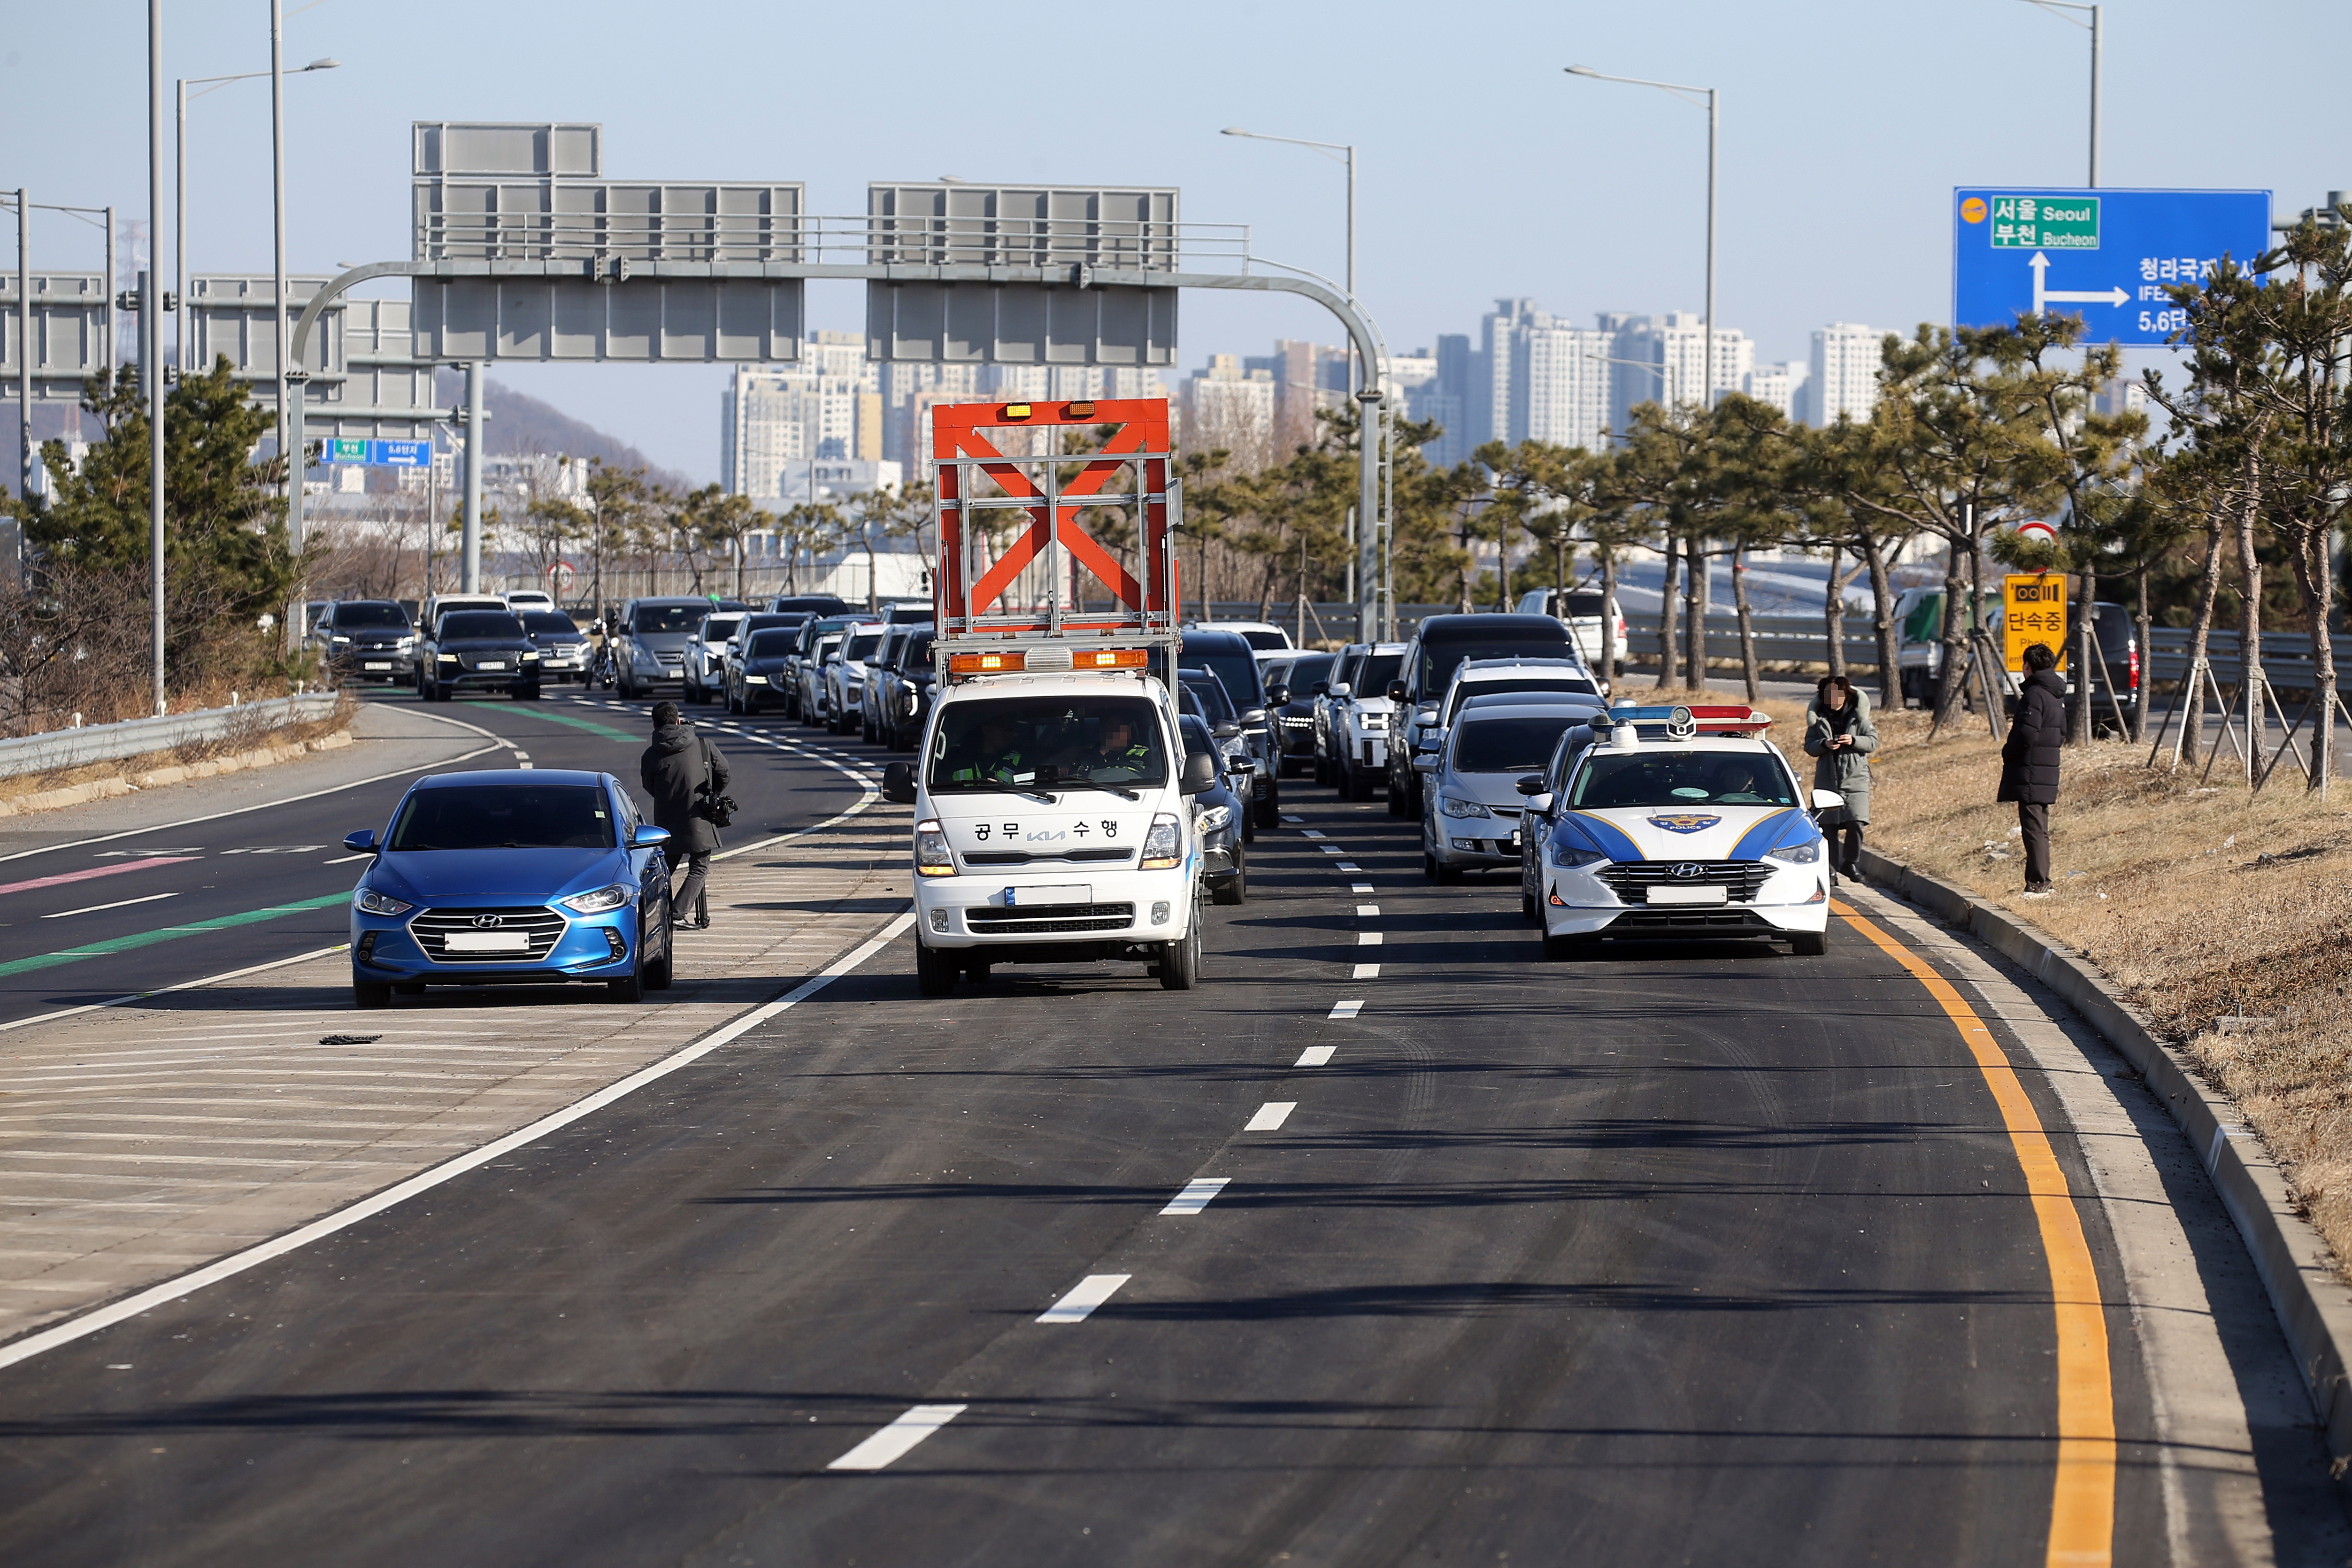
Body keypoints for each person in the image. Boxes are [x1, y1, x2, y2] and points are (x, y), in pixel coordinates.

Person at [640, 700, 730, 930]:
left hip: (666, 821)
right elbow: (724, 773)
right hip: (698, 816)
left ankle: (649, 912)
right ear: (678, 720)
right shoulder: (702, 745)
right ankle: (678, 913)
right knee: (699, 866)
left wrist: (667, 797)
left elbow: (649, 787)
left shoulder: (651, 755)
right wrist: (712, 793)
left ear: (654, 726)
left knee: (663, 869)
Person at [1999, 642, 2066, 897]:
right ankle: (2038, 880)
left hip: (2031, 772)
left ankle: (2039, 883)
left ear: (2029, 666)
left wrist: (2008, 752)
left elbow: (2026, 733)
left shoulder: (2035, 695)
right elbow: (2061, 734)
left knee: (2034, 830)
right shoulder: (2054, 695)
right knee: (2039, 828)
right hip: (2046, 770)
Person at [1804, 673, 1877, 882]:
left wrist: (1853, 740)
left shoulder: (1859, 717)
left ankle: (1850, 864)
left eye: (1838, 694)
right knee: (1829, 828)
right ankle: (1830, 870)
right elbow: (1809, 746)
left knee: (1857, 823)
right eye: (1829, 694)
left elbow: (1872, 742)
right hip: (1827, 782)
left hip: (1856, 780)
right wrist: (1823, 745)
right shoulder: (1818, 720)